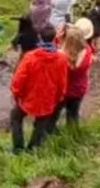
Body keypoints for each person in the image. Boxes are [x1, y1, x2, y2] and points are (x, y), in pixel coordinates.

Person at [10, 24, 68, 152]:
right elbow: (62, 82)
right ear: (54, 39)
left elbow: (19, 79)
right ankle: (33, 148)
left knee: (15, 117)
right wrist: (58, 98)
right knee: (41, 123)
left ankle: (18, 148)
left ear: (39, 38)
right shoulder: (62, 59)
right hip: (48, 98)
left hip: (29, 97)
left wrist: (16, 94)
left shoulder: (30, 57)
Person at [58, 23, 93, 126]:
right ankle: (74, 136)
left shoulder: (61, 56)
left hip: (64, 91)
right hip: (79, 89)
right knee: (73, 115)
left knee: (53, 116)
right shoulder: (88, 51)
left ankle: (52, 136)